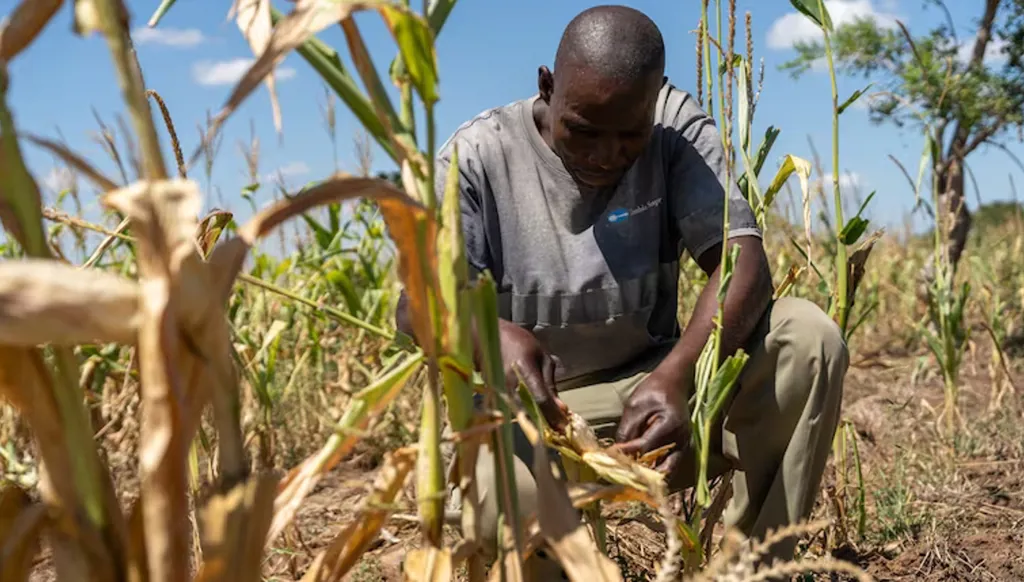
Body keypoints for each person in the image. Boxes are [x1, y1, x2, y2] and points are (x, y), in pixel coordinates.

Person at [395, 4, 848, 577]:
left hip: (655, 394)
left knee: (807, 338)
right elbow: (416, 307)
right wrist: (489, 337)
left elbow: (742, 262)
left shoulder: (673, 127)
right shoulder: (476, 158)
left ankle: (748, 568)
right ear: (547, 86)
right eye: (582, 131)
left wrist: (677, 379)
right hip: (533, 415)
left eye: (628, 136)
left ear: (654, 100)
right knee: (497, 503)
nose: (605, 157)